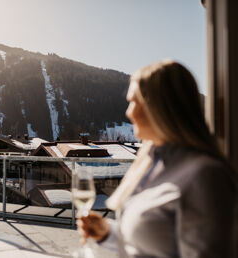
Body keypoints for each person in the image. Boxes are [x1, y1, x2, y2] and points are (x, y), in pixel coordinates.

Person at [77, 60, 236, 258]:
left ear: (160, 107)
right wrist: (107, 233)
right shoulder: (150, 164)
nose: (128, 112)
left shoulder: (205, 176)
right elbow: (146, 247)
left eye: (134, 101)